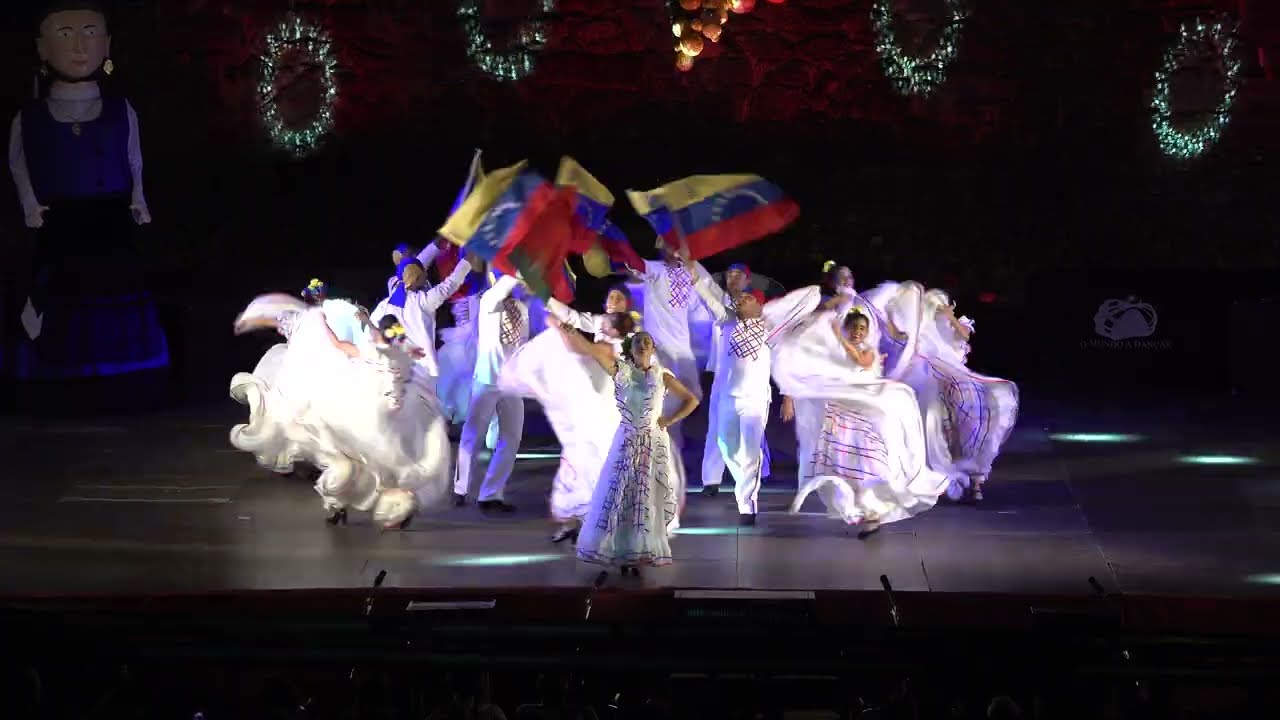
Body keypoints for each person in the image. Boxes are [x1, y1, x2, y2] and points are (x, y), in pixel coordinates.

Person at [8, 1, 169, 409]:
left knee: (113, 304)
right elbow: (19, 163)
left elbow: (134, 158)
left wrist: (138, 200)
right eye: (65, 35)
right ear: (42, 47)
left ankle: (122, 384)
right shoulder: (30, 117)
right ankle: (61, 387)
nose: (79, 47)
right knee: (61, 303)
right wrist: (29, 205)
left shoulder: (120, 110)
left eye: (90, 33)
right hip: (60, 226)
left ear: (108, 44)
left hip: (109, 226)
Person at [230, 293, 453, 529]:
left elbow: (342, 345)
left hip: (378, 409)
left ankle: (345, 501)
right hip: (393, 408)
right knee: (368, 457)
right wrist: (367, 325)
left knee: (348, 447)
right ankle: (352, 501)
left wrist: (326, 326)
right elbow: (384, 345)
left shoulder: (379, 352)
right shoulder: (402, 349)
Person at [775, 300, 948, 536]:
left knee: (869, 463)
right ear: (847, 329)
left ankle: (873, 511)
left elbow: (861, 361)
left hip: (865, 418)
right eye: (853, 328)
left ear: (867, 332)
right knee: (844, 466)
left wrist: (839, 337)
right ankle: (861, 510)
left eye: (862, 328)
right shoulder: (837, 354)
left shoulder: (869, 351)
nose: (857, 332)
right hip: (842, 417)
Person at [689, 254, 820, 525]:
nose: (740, 302)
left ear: (758, 304)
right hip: (727, 396)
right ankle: (745, 482)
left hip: (755, 399)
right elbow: (705, 292)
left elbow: (812, 295)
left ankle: (747, 505)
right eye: (739, 301)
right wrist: (692, 271)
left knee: (750, 452)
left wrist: (787, 396)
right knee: (726, 445)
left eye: (746, 299)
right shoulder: (726, 319)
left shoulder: (771, 327)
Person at [861, 282, 1019, 503]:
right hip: (930, 372)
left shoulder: (952, 324)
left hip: (952, 371)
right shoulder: (920, 327)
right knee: (933, 415)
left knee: (981, 405)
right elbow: (902, 337)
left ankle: (974, 476)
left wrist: (950, 317)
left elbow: (964, 335)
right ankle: (936, 472)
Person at [564, 330, 698, 576]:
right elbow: (593, 352)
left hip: (652, 441)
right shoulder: (621, 370)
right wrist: (574, 333)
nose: (643, 345)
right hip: (626, 439)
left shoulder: (662, 375)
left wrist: (668, 420)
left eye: (647, 341)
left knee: (644, 497)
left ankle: (638, 552)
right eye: (638, 341)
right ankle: (620, 552)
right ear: (631, 348)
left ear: (653, 348)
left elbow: (691, 400)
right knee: (621, 495)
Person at [499, 311, 638, 543]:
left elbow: (577, 346)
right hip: (596, 419)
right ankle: (574, 524)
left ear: (614, 331)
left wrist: (559, 327)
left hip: (600, 420)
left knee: (590, 471)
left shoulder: (610, 349)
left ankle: (594, 528)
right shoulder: (615, 348)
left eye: (605, 324)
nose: (600, 326)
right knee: (576, 469)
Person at [629, 239, 712, 494]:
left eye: (678, 246)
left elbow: (707, 305)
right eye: (668, 245)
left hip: (683, 353)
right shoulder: (655, 269)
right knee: (659, 408)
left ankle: (670, 465)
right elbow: (633, 263)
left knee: (689, 400)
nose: (674, 250)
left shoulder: (693, 272)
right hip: (658, 353)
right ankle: (659, 471)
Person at [453, 271, 530, 513]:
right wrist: (521, 268)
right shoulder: (488, 300)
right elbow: (502, 287)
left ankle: (491, 494)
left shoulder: (521, 308)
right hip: (487, 378)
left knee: (512, 436)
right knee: (473, 433)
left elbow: (522, 344)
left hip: (511, 381)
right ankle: (461, 488)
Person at [699, 263, 772, 497]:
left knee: (752, 430)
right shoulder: (722, 304)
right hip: (723, 376)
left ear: (748, 280)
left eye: (738, 275)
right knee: (717, 428)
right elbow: (703, 285)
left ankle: (757, 474)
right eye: (729, 274)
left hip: (751, 380)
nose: (733, 278)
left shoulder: (759, 309)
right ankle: (711, 480)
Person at [370, 250, 478, 388]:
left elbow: (372, 331)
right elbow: (451, 283)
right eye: (424, 274)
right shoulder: (423, 301)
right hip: (424, 371)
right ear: (417, 278)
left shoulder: (384, 306)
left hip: (398, 369)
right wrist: (469, 259)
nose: (427, 275)